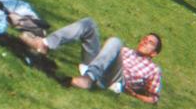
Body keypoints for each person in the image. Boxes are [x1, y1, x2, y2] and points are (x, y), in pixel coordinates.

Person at [19, 17, 163, 104]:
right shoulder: (126, 51)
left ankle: (88, 79)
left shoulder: (154, 70)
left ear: (154, 53)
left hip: (113, 79)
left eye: (150, 42)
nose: (145, 42)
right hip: (99, 65)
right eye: (144, 39)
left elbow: (154, 98)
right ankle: (45, 44)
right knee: (89, 23)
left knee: (115, 41)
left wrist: (135, 95)